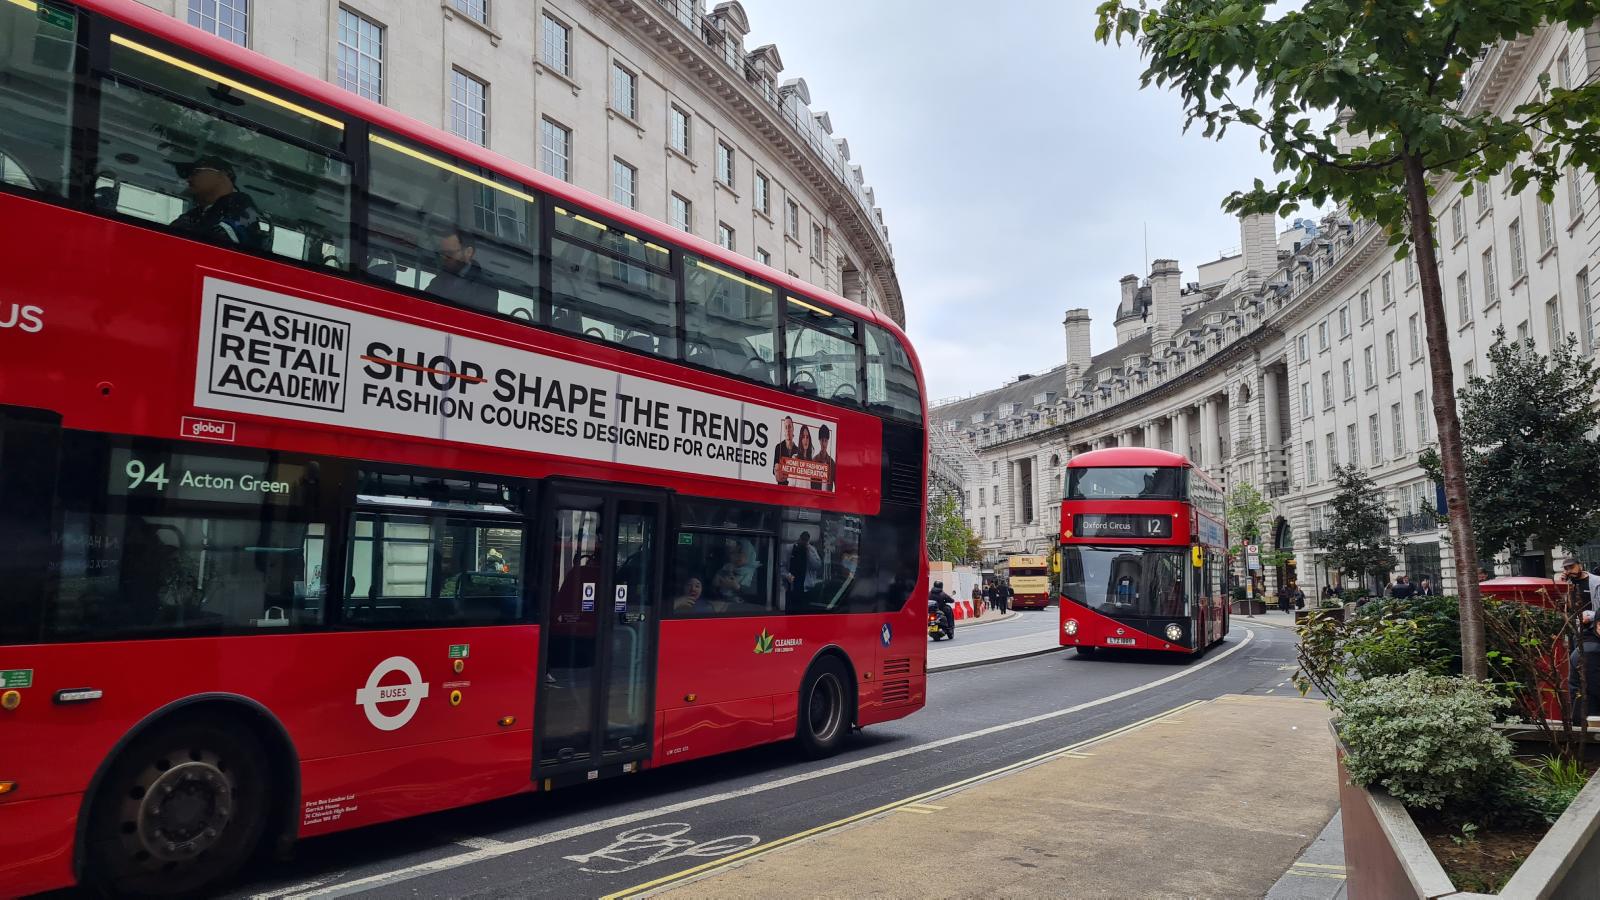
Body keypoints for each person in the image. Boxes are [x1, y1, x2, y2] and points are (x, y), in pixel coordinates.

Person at [170, 155, 264, 251]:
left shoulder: (242, 204)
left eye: (195, 172)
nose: (188, 179)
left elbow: (220, 241)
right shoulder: (196, 213)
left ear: (223, 174)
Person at [1563, 558, 1600, 724]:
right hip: (1580, 629)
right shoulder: (1569, 584)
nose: (1569, 570)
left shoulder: (1595, 582)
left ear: (1580, 565)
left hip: (1590, 623)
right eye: (1566, 568)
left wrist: (1591, 617)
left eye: (1571, 567)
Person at [427, 227, 500, 310]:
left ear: (468, 252)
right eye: (442, 253)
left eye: (449, 253)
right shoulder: (439, 280)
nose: (444, 258)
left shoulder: (485, 286)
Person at [772, 417, 800, 486]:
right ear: (784, 430)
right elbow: (776, 473)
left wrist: (783, 470)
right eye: (786, 427)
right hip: (781, 489)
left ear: (793, 429)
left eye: (789, 427)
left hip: (793, 490)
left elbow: (799, 475)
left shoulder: (798, 450)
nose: (788, 430)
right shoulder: (778, 447)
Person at [810, 424, 837, 491]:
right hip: (815, 498)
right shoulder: (814, 461)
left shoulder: (832, 463)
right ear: (819, 440)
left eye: (826, 440)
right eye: (822, 440)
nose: (824, 443)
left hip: (828, 499)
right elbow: (810, 484)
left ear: (828, 441)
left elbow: (837, 484)